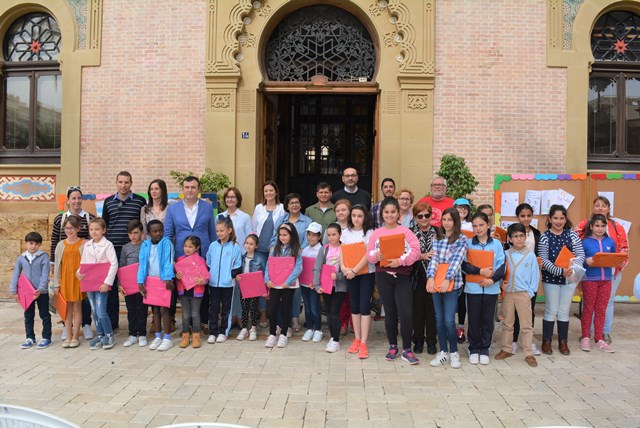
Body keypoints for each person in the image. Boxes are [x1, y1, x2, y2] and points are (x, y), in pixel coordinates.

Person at [366, 197, 421, 364]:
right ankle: (392, 346)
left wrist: (400, 261)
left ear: (399, 214)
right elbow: (369, 254)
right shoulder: (376, 233)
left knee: (405, 312)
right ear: (382, 214)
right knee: (389, 313)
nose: (390, 215)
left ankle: (406, 349)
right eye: (386, 212)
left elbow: (416, 251)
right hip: (383, 276)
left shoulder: (406, 232)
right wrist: (376, 255)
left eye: (393, 212)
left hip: (402, 276)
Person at [574, 196, 629, 345]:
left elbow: (624, 247)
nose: (600, 208)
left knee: (607, 303)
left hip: (610, 274)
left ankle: (604, 333)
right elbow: (575, 245)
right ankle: (587, 333)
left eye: (603, 205)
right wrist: (582, 263)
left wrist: (618, 264)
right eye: (597, 205)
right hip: (589, 275)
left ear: (609, 209)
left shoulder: (617, 226)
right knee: (588, 304)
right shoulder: (584, 224)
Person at [164, 176, 216, 331]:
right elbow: (168, 234)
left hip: (203, 254)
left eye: (193, 187)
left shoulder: (207, 207)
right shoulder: (173, 208)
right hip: (182, 254)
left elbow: (212, 232)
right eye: (187, 187)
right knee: (185, 289)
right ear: (183, 189)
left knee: (202, 287)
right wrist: (170, 258)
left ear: (198, 189)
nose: (190, 190)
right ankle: (188, 325)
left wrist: (212, 255)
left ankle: (203, 323)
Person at [102, 171, 147, 330]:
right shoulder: (108, 202)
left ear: (131, 183)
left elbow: (143, 225)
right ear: (116, 182)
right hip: (112, 250)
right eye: (120, 182)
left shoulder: (140, 201)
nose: (123, 185)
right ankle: (113, 324)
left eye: (126, 182)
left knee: (133, 288)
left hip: (133, 250)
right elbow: (105, 227)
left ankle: (135, 326)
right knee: (112, 287)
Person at [50, 186, 95, 341]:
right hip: (66, 263)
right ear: (68, 200)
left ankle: (86, 324)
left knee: (84, 298)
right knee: (67, 300)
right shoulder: (59, 219)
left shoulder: (90, 217)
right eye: (73, 198)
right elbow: (55, 241)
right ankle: (66, 327)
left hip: (82, 263)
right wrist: (52, 264)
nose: (76, 201)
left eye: (78, 198)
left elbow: (96, 237)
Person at [539, 204, 585, 356]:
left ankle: (563, 342)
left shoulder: (572, 235)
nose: (558, 221)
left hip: (569, 279)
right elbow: (544, 260)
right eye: (555, 218)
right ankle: (546, 341)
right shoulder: (545, 237)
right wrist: (560, 271)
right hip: (550, 279)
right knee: (551, 310)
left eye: (562, 218)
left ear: (566, 219)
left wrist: (572, 268)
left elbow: (580, 255)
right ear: (550, 219)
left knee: (564, 311)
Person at [461, 212, 505, 365]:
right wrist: (480, 272)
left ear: (488, 225)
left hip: (491, 289)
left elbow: (501, 266)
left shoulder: (497, 244)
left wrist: (491, 280)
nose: (478, 228)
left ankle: (485, 348)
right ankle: (473, 348)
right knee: (473, 319)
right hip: (473, 288)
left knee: (487, 320)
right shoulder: (467, 243)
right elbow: (464, 265)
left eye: (481, 225)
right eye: (474, 225)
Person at [426, 208, 468, 369]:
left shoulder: (461, 239)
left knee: (450, 320)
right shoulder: (438, 238)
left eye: (450, 220)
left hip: (452, 284)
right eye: (444, 220)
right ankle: (443, 351)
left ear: (456, 221)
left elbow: (457, 261)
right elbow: (434, 260)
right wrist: (430, 277)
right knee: (439, 319)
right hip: (436, 283)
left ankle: (454, 353)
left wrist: (447, 279)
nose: (446, 223)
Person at [495, 223, 540, 368]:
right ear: (510, 238)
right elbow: (501, 271)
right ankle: (506, 348)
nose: (518, 239)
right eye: (515, 236)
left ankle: (528, 353)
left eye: (521, 236)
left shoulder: (531, 256)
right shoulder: (506, 254)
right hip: (508, 293)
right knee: (508, 323)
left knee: (526, 325)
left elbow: (535, 275)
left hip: (523, 294)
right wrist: (501, 284)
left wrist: (530, 292)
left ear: (525, 237)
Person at [271, 193, 312, 333]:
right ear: (287, 206)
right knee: (281, 288)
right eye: (291, 203)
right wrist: (273, 251)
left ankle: (294, 317)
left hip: (299, 258)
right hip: (281, 259)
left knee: (295, 289)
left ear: (301, 205)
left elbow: (308, 239)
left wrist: (298, 251)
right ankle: (281, 321)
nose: (294, 205)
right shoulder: (281, 220)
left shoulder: (307, 221)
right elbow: (274, 237)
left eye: (296, 202)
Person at [77, 218, 119, 350]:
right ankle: (100, 335)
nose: (94, 232)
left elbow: (114, 264)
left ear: (103, 230)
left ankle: (109, 334)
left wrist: (107, 282)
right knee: (94, 311)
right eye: (91, 229)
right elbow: (84, 263)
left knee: (101, 311)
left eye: (97, 229)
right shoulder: (87, 245)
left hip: (102, 283)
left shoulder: (108, 245)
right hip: (90, 283)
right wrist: (78, 272)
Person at [340, 205, 375, 359]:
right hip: (350, 274)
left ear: (365, 217)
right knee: (354, 306)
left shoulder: (369, 233)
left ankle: (364, 342)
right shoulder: (346, 232)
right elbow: (343, 251)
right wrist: (343, 268)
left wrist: (354, 270)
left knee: (364, 306)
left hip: (365, 273)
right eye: (354, 215)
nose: (356, 219)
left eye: (359, 216)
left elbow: (368, 255)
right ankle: (357, 338)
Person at [580, 214, 617, 353]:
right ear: (591, 227)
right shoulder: (585, 243)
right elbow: (578, 259)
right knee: (588, 309)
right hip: (590, 280)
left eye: (602, 226)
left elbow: (614, 258)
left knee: (601, 310)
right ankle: (585, 337)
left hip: (606, 281)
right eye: (597, 225)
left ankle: (598, 340)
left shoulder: (610, 242)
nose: (600, 228)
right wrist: (585, 260)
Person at [219, 187, 253, 335]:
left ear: (238, 199)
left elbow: (249, 236)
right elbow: (218, 235)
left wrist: (246, 255)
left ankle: (240, 317)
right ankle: (230, 316)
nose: (230, 199)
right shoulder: (220, 216)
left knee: (240, 289)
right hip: (225, 257)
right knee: (228, 288)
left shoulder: (244, 217)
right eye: (228, 197)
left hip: (241, 256)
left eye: (233, 197)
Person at [509, 203, 541, 356]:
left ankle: (529, 343)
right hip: (515, 279)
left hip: (529, 277)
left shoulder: (537, 233)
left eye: (529, 215)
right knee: (512, 314)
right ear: (518, 217)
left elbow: (538, 254)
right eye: (523, 216)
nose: (526, 218)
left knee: (529, 312)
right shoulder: (511, 233)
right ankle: (513, 341)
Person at [138, 220, 175, 351]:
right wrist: (140, 281)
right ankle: (158, 336)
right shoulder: (145, 245)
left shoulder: (167, 243)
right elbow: (142, 264)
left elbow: (169, 262)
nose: (158, 233)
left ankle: (167, 338)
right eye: (155, 231)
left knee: (165, 310)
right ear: (148, 233)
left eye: (160, 230)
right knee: (155, 310)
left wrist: (168, 279)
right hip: (150, 281)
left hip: (164, 281)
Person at [10, 231, 51, 350]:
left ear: (40, 245)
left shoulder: (44, 257)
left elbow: (45, 274)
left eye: (36, 244)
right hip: (26, 293)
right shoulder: (21, 258)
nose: (33, 246)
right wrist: (14, 291)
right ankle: (30, 337)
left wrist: (41, 289)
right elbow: (16, 274)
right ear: (26, 243)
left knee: (44, 315)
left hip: (41, 292)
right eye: (31, 243)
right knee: (28, 315)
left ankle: (46, 337)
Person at [264, 223, 303, 348]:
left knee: (286, 308)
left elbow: (298, 267)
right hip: (275, 284)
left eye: (285, 235)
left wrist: (289, 281)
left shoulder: (295, 250)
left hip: (288, 285)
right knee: (273, 308)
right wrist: (267, 279)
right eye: (280, 235)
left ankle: (284, 334)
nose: (282, 237)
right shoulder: (275, 249)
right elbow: (268, 265)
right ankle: (272, 334)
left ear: (291, 235)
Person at [252, 180, 285, 327]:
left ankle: (274, 312)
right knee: (260, 282)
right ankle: (263, 312)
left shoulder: (282, 208)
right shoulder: (259, 208)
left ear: (276, 192)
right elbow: (254, 228)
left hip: (275, 251)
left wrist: (275, 246)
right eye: (266, 191)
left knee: (274, 281)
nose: (269, 193)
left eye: (271, 190)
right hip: (259, 250)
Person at [206, 217, 242, 344]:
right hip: (213, 283)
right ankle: (213, 332)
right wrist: (211, 274)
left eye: (222, 230)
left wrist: (230, 276)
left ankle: (223, 332)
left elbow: (238, 265)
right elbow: (208, 261)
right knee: (214, 308)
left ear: (230, 230)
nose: (219, 233)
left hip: (228, 284)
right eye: (217, 231)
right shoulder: (212, 246)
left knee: (226, 308)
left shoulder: (235, 247)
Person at [410, 201, 440, 355]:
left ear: (431, 215)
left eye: (426, 215)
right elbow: (406, 253)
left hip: (435, 275)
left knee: (432, 310)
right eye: (419, 216)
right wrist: (421, 256)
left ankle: (432, 341)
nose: (423, 218)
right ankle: (418, 340)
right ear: (415, 217)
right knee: (417, 311)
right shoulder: (409, 232)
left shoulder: (438, 231)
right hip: (417, 275)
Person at [314, 223, 347, 353]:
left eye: (334, 234)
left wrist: (338, 276)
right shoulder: (324, 249)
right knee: (328, 312)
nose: (331, 237)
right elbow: (317, 267)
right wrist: (317, 285)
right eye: (329, 235)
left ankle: (336, 340)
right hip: (326, 286)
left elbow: (348, 269)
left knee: (335, 311)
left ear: (340, 234)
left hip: (340, 286)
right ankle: (333, 337)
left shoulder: (344, 249)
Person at [53, 216, 85, 348]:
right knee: (66, 310)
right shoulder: (61, 245)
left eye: (71, 228)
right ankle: (68, 335)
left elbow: (85, 263)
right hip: (64, 280)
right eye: (66, 228)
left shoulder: (83, 244)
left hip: (77, 280)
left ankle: (76, 335)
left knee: (77, 307)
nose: (69, 231)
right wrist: (56, 284)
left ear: (78, 228)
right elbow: (57, 266)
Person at [176, 236, 208, 348]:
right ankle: (185, 336)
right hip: (184, 292)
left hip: (196, 292)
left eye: (190, 246)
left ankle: (196, 337)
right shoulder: (180, 260)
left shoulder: (200, 260)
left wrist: (202, 281)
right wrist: (177, 276)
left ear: (197, 248)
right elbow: (176, 276)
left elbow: (206, 277)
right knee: (185, 315)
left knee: (195, 314)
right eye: (185, 246)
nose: (187, 249)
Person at [120, 220, 148, 348]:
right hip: (128, 284)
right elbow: (121, 266)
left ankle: (142, 334)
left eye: (136, 233)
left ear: (142, 233)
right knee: (131, 310)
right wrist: (120, 284)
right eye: (130, 233)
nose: (133, 236)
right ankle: (132, 334)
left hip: (142, 284)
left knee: (141, 309)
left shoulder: (146, 245)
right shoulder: (125, 247)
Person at [236, 234, 265, 341]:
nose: (248, 246)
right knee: (244, 308)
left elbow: (264, 273)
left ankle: (253, 328)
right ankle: (244, 328)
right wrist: (237, 276)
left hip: (254, 287)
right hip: (243, 287)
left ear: (256, 246)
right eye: (247, 243)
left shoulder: (260, 259)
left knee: (253, 308)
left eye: (251, 244)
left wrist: (264, 288)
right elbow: (237, 271)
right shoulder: (241, 258)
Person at [300, 223, 324, 343]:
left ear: (319, 237)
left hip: (315, 285)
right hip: (304, 284)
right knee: (307, 308)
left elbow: (322, 269)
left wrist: (316, 282)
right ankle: (309, 328)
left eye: (314, 235)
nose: (311, 238)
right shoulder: (305, 250)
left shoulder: (322, 250)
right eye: (309, 235)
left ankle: (318, 330)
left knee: (314, 307)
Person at [453, 197, 472, 344]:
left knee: (462, 299)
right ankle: (449, 326)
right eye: (459, 207)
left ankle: (460, 327)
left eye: (465, 207)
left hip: (466, 267)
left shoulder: (472, 226)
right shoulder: (449, 224)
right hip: (451, 267)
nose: (462, 210)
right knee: (450, 298)